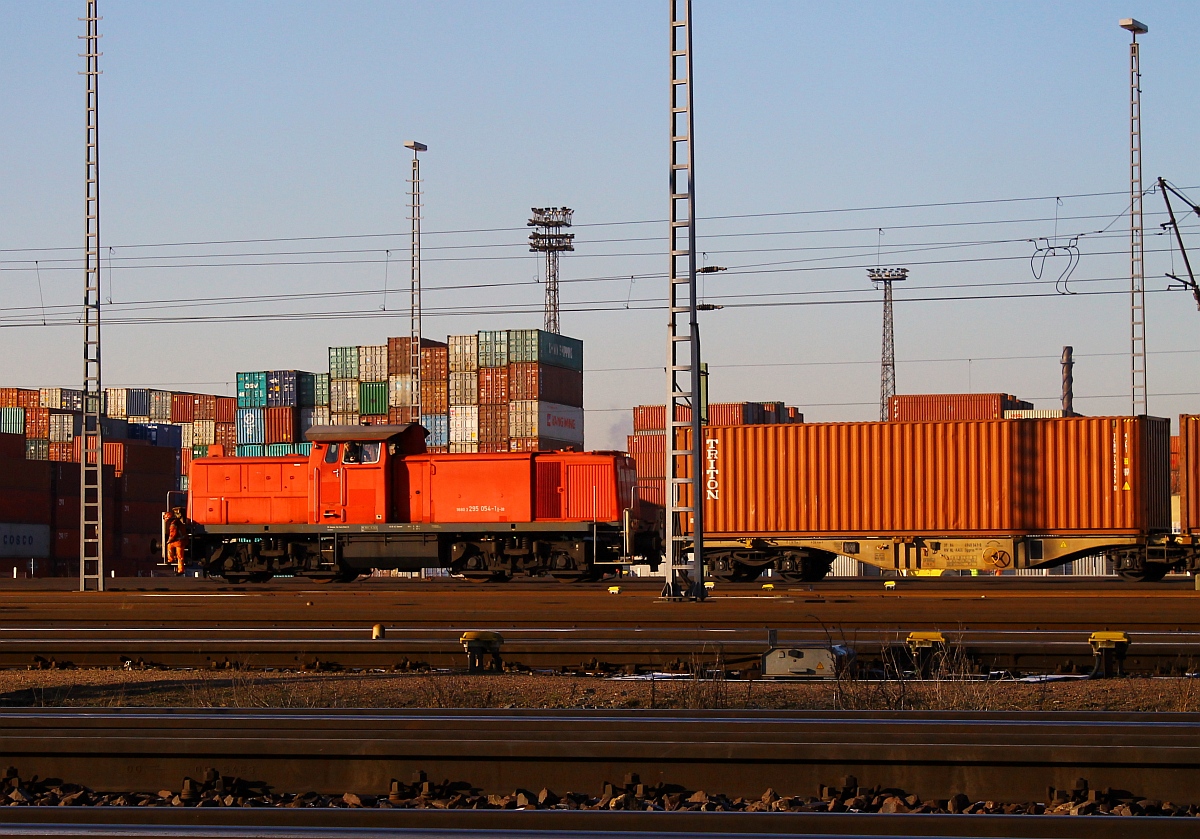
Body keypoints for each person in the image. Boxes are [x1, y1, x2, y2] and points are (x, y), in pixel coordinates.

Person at [165, 507, 189, 575]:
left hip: (179, 542)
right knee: (180, 556)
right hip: (181, 541)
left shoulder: (173, 524)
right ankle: (179, 569)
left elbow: (173, 534)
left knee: (170, 546)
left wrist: (168, 540)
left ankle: (171, 560)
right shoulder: (177, 522)